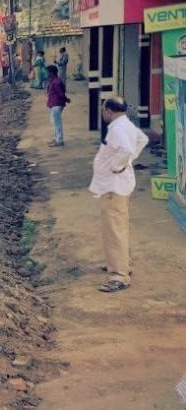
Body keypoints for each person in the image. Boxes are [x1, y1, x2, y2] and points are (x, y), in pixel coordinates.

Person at [89, 97, 148, 293]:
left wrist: (118, 165)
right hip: (116, 184)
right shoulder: (125, 124)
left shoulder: (117, 128)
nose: (102, 112)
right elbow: (142, 140)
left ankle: (119, 275)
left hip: (114, 185)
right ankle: (121, 263)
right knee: (117, 226)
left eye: (103, 109)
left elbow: (128, 149)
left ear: (108, 110)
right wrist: (129, 160)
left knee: (114, 228)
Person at [46, 64, 68, 147]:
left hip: (57, 104)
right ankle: (56, 138)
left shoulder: (56, 82)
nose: (46, 74)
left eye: (47, 72)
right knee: (54, 122)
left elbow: (61, 94)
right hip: (54, 104)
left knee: (57, 123)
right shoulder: (53, 80)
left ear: (51, 73)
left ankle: (59, 140)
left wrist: (66, 99)